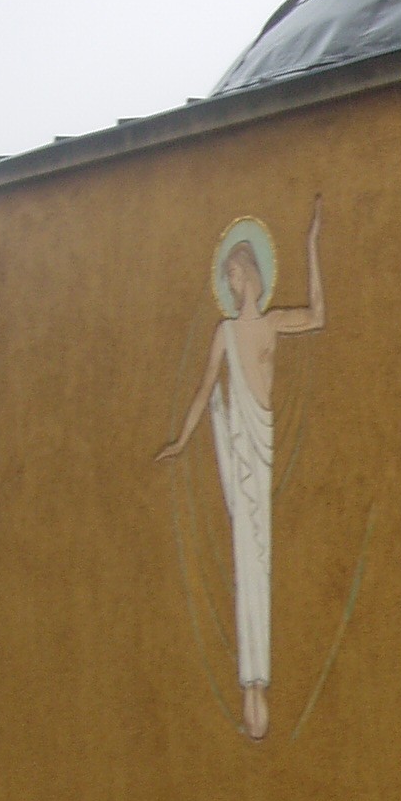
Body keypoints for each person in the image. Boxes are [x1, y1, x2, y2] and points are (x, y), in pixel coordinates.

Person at [156, 198, 326, 741]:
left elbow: (318, 317)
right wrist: (181, 440)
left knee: (259, 557)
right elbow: (205, 389)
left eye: (234, 274)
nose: (230, 285)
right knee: (245, 559)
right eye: (226, 277)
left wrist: (312, 245)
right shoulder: (224, 333)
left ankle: (259, 682)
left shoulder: (272, 324)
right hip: (237, 451)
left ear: (250, 273)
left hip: (261, 445)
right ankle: (250, 686)